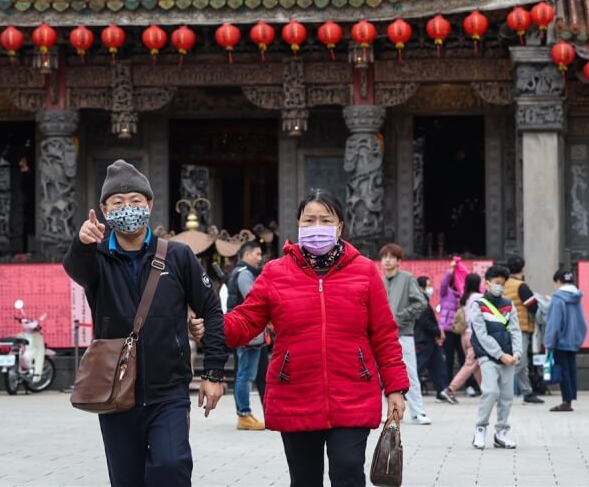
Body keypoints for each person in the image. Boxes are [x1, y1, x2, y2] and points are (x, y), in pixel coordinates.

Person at [217, 190, 408, 487]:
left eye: (325, 219)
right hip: (295, 394)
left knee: (347, 473)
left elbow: (384, 335)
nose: (316, 226)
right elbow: (247, 320)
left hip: (353, 393)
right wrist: (213, 325)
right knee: (304, 480)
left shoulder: (365, 272)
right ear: (298, 225)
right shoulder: (274, 273)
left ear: (340, 226)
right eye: (309, 220)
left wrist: (395, 388)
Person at [63, 159, 227, 487]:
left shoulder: (178, 257)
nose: (128, 209)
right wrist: (82, 243)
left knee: (171, 466)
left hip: (169, 391)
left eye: (136, 201)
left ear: (149, 204)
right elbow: (75, 269)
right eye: (118, 203)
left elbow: (211, 310)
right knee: (127, 479)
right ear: (104, 209)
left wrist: (213, 374)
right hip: (114, 392)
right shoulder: (97, 261)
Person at [470, 265, 521, 450]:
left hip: (509, 357)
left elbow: (515, 330)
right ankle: (480, 428)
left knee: (507, 396)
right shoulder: (478, 305)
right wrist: (501, 354)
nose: (500, 286)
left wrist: (517, 353)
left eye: (502, 283)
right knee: (491, 392)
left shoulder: (509, 304)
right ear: (487, 283)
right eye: (497, 283)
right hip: (488, 357)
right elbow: (481, 335)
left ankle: (501, 433)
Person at [380, 242, 430, 425]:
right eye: (384, 257)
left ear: (399, 261)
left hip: (404, 334)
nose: (387, 260)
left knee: (410, 374)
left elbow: (421, 303)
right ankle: (388, 412)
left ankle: (418, 412)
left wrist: (399, 317)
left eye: (391, 257)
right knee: (382, 375)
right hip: (382, 336)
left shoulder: (407, 278)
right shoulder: (379, 280)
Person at [226, 240, 267, 430]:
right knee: (245, 374)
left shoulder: (242, 273)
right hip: (248, 332)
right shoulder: (244, 275)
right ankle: (244, 414)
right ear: (247, 255)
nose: (260, 258)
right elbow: (255, 299)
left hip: (247, 332)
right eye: (257, 254)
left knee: (246, 373)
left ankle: (245, 413)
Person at [544, 269, 587, 412]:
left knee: (563, 371)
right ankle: (569, 400)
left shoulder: (558, 299)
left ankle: (566, 402)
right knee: (570, 370)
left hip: (560, 341)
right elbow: (583, 323)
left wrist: (549, 342)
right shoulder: (577, 297)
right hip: (573, 341)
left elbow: (554, 324)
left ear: (558, 282)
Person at [504, 256, 545, 405]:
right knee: (519, 362)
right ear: (523, 268)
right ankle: (498, 389)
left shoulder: (504, 285)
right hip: (520, 328)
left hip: (506, 328)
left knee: (523, 364)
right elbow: (533, 307)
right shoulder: (522, 287)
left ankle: (527, 392)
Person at [414, 276, 457, 404]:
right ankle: (404, 389)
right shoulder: (420, 302)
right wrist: (438, 332)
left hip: (430, 340)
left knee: (438, 365)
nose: (430, 288)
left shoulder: (425, 300)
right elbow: (425, 322)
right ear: (421, 288)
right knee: (419, 366)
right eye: (428, 285)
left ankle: (441, 391)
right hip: (424, 340)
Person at [447, 273, 483, 401]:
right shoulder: (479, 297)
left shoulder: (464, 298)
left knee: (476, 365)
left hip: (465, 335)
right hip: (475, 335)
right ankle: (450, 389)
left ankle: (486, 392)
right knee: (471, 364)